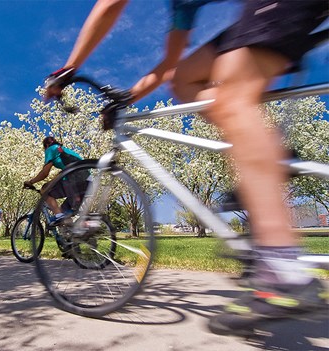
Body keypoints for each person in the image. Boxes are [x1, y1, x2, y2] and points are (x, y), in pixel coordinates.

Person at [44, 0, 328, 336]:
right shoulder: (183, 8)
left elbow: (109, 5)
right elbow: (169, 65)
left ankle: (283, 272)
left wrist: (69, 68)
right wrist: (127, 98)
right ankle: (262, 150)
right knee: (185, 79)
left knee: (234, 89)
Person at [24, 136, 86, 226]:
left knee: (45, 189)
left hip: (74, 180)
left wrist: (31, 182)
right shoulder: (63, 151)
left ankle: (60, 217)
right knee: (64, 212)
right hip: (87, 181)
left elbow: (45, 173)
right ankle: (71, 235)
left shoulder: (51, 149)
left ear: (46, 145)